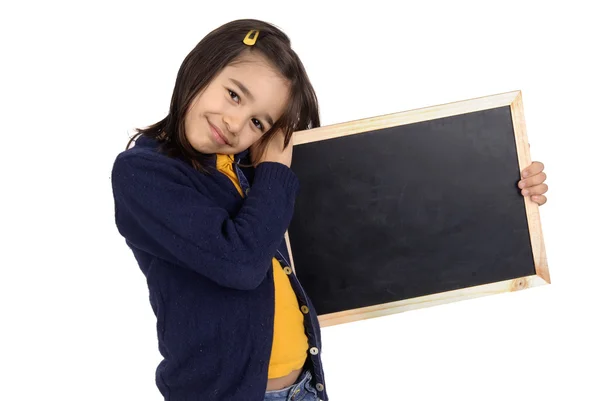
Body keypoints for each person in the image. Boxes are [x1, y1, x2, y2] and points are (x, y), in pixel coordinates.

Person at [111, 19, 549, 401]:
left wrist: (503, 189)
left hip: (303, 386)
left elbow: (373, 208)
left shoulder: (246, 173)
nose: (235, 123)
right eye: (233, 95)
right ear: (200, 67)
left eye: (259, 123)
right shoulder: (145, 174)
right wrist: (275, 171)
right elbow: (240, 262)